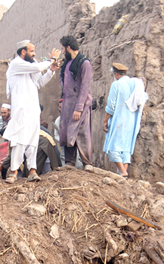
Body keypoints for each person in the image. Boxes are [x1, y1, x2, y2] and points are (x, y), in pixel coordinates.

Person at [2, 40, 60, 183]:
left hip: (33, 109)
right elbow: (38, 68)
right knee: (18, 140)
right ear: (23, 52)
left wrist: (51, 70)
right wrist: (51, 60)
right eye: (32, 51)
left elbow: (39, 82)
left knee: (32, 140)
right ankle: (14, 172)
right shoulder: (16, 64)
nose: (34, 54)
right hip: (21, 109)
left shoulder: (32, 65)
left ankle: (32, 171)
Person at [102, 63, 148, 177]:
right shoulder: (136, 83)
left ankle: (122, 171)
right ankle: (122, 173)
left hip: (119, 119)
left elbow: (111, 106)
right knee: (126, 148)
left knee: (113, 147)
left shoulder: (117, 84)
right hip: (132, 121)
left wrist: (105, 121)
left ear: (116, 74)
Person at [58, 35, 94, 169]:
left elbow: (85, 87)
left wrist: (79, 108)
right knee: (67, 132)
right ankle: (69, 162)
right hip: (68, 103)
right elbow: (64, 84)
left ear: (68, 48)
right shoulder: (67, 64)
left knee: (82, 132)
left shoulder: (84, 63)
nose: (62, 52)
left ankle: (87, 163)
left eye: (62, 49)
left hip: (81, 104)